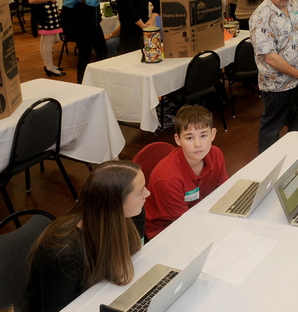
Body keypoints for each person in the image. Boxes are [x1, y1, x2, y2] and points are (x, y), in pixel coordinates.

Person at [25, 161, 148, 312]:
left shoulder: (132, 215)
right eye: (140, 191)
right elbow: (59, 309)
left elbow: (133, 257)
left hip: (108, 293)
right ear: (116, 204)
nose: (147, 194)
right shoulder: (64, 252)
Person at [250, 0, 298, 153]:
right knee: (272, 128)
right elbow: (270, 57)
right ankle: (265, 165)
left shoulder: (292, 6)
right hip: (276, 86)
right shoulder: (260, 17)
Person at [145, 105, 228, 239]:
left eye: (203, 135)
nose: (198, 144)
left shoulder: (216, 154)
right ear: (178, 140)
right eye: (189, 138)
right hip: (168, 232)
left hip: (202, 214)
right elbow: (182, 226)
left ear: (213, 134)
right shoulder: (168, 179)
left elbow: (223, 192)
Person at [62, 0, 107, 83]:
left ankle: (100, 79)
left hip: (96, 28)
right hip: (83, 31)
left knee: (103, 53)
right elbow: (66, 14)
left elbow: (96, 8)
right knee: (85, 56)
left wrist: (98, 19)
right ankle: (82, 82)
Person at [28, 0, 65, 76]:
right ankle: (49, 66)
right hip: (47, 16)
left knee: (45, 41)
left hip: (49, 16)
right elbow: (32, 0)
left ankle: (49, 65)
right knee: (48, 43)